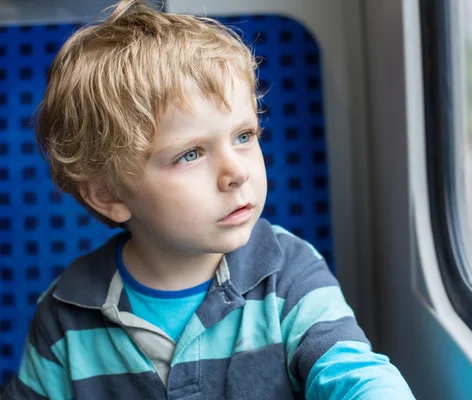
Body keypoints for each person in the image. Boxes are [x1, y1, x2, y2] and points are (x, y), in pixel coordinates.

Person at [2, 1, 415, 399]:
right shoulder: (66, 314)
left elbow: (354, 373)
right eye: (191, 154)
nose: (237, 172)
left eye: (244, 136)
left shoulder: (288, 274)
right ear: (109, 194)